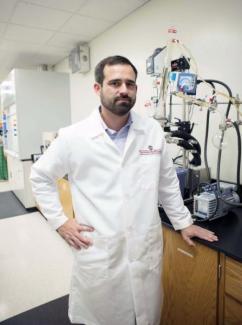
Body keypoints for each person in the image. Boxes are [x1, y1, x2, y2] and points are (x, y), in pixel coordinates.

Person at [30, 55, 218, 325]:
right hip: (99, 248)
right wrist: (60, 222)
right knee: (102, 316)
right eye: (115, 83)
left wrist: (183, 222)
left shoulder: (151, 131)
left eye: (130, 84)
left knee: (145, 316)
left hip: (144, 246)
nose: (123, 90)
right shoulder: (73, 136)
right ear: (98, 88)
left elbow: (166, 182)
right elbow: (40, 176)